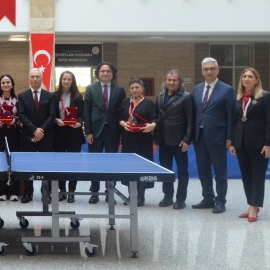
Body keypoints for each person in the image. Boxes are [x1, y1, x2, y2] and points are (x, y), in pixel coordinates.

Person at [230, 68, 270, 223]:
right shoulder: (238, 98)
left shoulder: (265, 97)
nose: (247, 79)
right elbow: (235, 122)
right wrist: (233, 142)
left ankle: (254, 207)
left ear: (256, 80)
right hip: (241, 143)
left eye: (250, 76)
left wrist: (268, 144)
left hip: (259, 143)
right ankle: (251, 204)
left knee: (257, 176)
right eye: (244, 76)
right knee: (246, 175)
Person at [192, 57, 235, 214]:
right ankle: (208, 198)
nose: (209, 71)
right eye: (206, 69)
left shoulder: (227, 89)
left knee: (220, 172)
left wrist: (229, 138)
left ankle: (220, 201)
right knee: (203, 171)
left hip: (218, 137)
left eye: (212, 68)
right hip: (199, 137)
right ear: (202, 71)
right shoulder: (196, 89)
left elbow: (231, 116)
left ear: (218, 70)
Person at [83, 61, 126, 204]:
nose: (105, 73)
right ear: (98, 73)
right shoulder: (90, 88)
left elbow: (122, 111)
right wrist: (88, 132)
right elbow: (86, 111)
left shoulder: (119, 89)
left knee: (111, 164)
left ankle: (110, 192)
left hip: (113, 131)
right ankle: (94, 192)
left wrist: (122, 133)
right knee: (94, 163)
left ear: (113, 74)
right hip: (95, 132)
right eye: (102, 71)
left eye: (108, 71)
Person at [155, 69, 194, 210]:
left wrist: (187, 139)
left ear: (180, 82)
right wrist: (156, 138)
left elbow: (190, 120)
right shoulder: (160, 96)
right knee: (166, 170)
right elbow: (157, 118)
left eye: (174, 80)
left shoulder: (186, 97)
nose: (171, 82)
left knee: (182, 171)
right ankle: (168, 197)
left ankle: (181, 199)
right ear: (165, 81)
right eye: (169, 80)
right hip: (163, 140)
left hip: (179, 140)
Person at [16, 68, 55, 204]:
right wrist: (34, 130)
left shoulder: (50, 96)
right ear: (29, 79)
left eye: (37, 76)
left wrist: (41, 130)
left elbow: (52, 115)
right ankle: (28, 192)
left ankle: (46, 192)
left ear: (42, 79)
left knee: (46, 165)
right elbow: (22, 115)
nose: (35, 79)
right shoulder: (22, 96)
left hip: (46, 136)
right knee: (28, 165)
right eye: (32, 76)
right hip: (28, 136)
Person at [119, 79, 158, 207]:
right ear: (129, 90)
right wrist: (123, 124)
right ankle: (131, 195)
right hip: (128, 139)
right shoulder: (125, 102)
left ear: (142, 89)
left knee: (142, 168)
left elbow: (155, 118)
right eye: (132, 88)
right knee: (129, 167)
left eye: (137, 87)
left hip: (144, 139)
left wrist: (152, 125)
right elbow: (119, 117)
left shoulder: (148, 103)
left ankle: (141, 196)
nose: (134, 90)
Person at [52, 70, 85, 203]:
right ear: (60, 81)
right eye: (64, 79)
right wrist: (56, 120)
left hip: (73, 133)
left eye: (69, 79)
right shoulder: (54, 96)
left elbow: (82, 114)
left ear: (72, 81)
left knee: (73, 164)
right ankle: (62, 191)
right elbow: (51, 114)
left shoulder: (78, 96)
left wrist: (79, 123)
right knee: (60, 164)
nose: (66, 81)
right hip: (58, 133)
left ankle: (71, 192)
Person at [0, 74, 22, 201]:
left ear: (12, 84)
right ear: (0, 85)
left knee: (14, 162)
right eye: (3, 82)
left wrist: (14, 120)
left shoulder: (17, 100)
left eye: (8, 82)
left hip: (14, 133)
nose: (6, 84)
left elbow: (20, 117)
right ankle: (0, 192)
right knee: (0, 161)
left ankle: (13, 192)